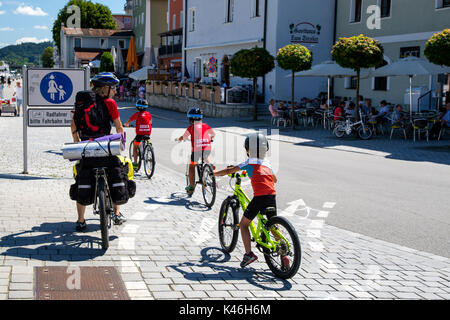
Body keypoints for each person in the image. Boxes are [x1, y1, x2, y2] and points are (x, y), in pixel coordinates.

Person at [213, 133, 280, 268]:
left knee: (244, 224)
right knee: (273, 226)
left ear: (248, 149)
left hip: (259, 197)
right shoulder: (267, 163)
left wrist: (213, 173)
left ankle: (248, 254)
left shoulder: (249, 162)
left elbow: (229, 170)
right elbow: (275, 180)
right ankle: (283, 253)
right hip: (271, 196)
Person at [70, 72, 127, 231]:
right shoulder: (110, 103)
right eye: (113, 88)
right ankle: (116, 214)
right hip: (105, 149)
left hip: (87, 149)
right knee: (118, 172)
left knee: (82, 178)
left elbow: (73, 126)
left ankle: (81, 220)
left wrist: (78, 143)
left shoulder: (82, 104)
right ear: (105, 89)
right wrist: (120, 143)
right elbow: (119, 127)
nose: (115, 91)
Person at [175, 107, 215, 196]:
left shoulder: (191, 128)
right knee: (206, 154)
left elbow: (184, 137)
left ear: (190, 119)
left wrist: (179, 139)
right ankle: (210, 166)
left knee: (192, 166)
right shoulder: (206, 125)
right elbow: (213, 134)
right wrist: (211, 139)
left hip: (196, 151)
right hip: (206, 148)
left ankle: (191, 186)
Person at [124, 99, 153, 168]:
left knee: (135, 146)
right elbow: (150, 122)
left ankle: (135, 163)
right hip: (147, 132)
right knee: (147, 136)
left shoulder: (137, 114)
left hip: (140, 134)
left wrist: (126, 124)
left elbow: (129, 121)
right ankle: (148, 144)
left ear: (137, 107)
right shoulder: (148, 114)